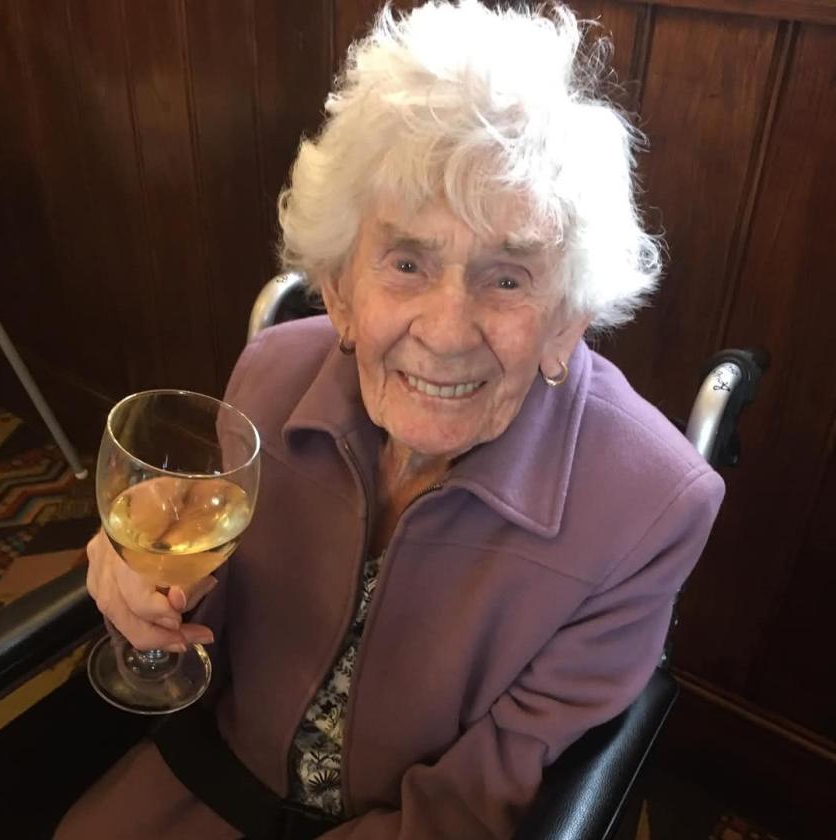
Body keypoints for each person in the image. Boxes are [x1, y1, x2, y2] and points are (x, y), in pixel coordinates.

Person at [56, 2, 725, 838]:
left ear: (567, 319)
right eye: (407, 261)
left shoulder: (653, 507)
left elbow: (482, 800)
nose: (446, 331)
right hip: (209, 789)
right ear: (338, 288)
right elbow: (206, 643)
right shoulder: (270, 375)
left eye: (508, 277)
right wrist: (146, 619)